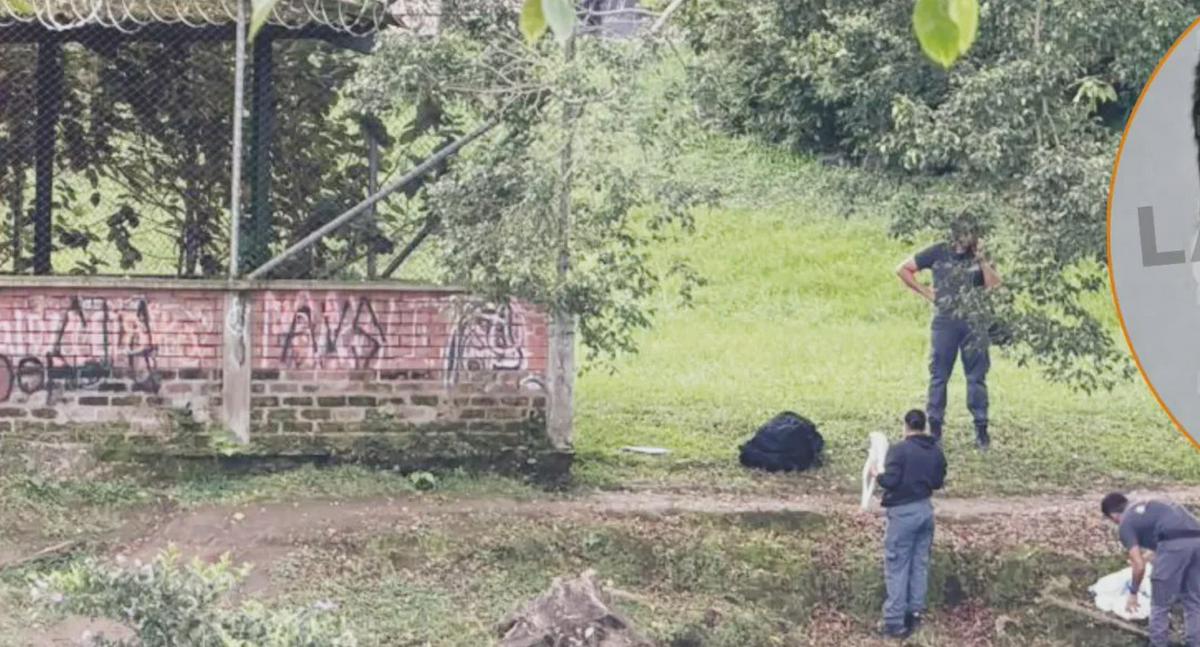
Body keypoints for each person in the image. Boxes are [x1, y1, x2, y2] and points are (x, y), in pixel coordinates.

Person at [896, 217, 1002, 450]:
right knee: (939, 376)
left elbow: (994, 285)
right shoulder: (938, 251)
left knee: (976, 377)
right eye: (963, 233)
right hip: (945, 322)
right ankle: (935, 429)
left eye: (971, 234)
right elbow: (903, 269)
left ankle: (981, 429)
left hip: (974, 321)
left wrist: (983, 261)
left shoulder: (981, 256)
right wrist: (927, 293)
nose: (967, 238)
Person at [868, 409, 947, 639]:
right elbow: (938, 481)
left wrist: (877, 474)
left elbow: (891, 481)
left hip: (903, 514)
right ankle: (914, 614)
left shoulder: (899, 450)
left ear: (906, 426)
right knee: (919, 564)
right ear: (924, 426)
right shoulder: (935, 450)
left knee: (897, 565)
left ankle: (894, 622)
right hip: (925, 511)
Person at [1102, 493, 1200, 647]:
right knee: (1193, 601)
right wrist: (1147, 557)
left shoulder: (1125, 523)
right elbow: (1170, 535)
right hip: (1196, 540)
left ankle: (1157, 643)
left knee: (1160, 603)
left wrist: (1133, 593)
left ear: (1113, 516)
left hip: (1173, 544)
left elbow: (1139, 565)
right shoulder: (1146, 505)